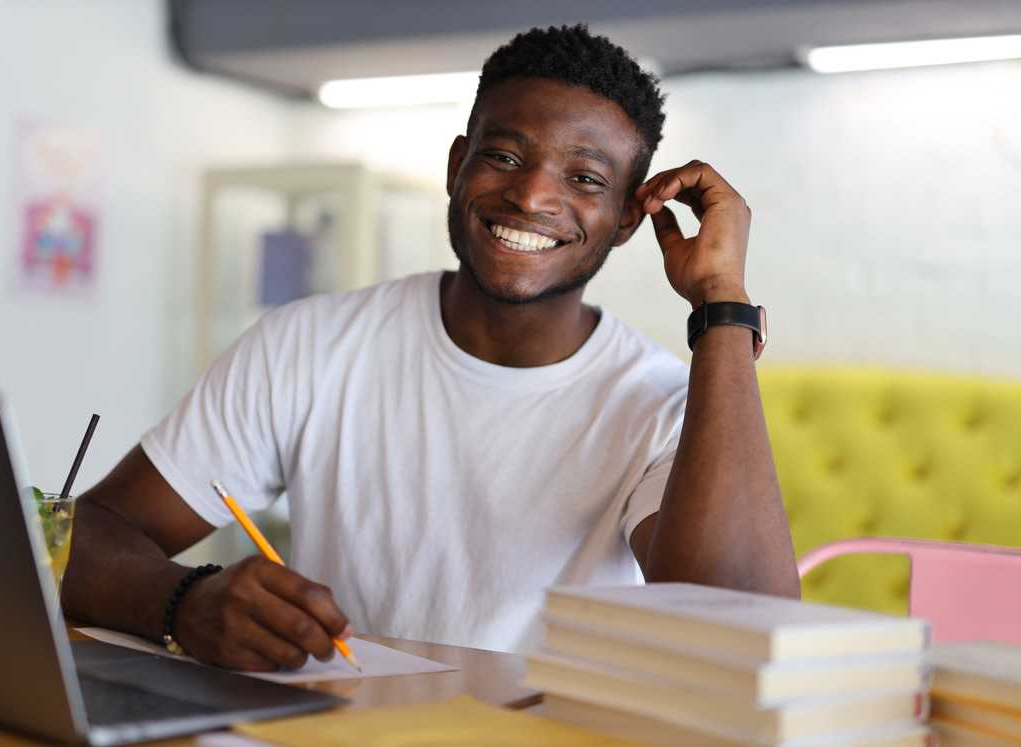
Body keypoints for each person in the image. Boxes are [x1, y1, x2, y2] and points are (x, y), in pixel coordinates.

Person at [62, 24, 799, 672]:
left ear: (626, 220)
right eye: (506, 156)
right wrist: (185, 599)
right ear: (456, 167)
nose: (533, 195)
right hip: (333, 730)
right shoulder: (308, 345)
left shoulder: (663, 401)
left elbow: (741, 622)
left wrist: (722, 309)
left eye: (584, 177)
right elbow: (83, 536)